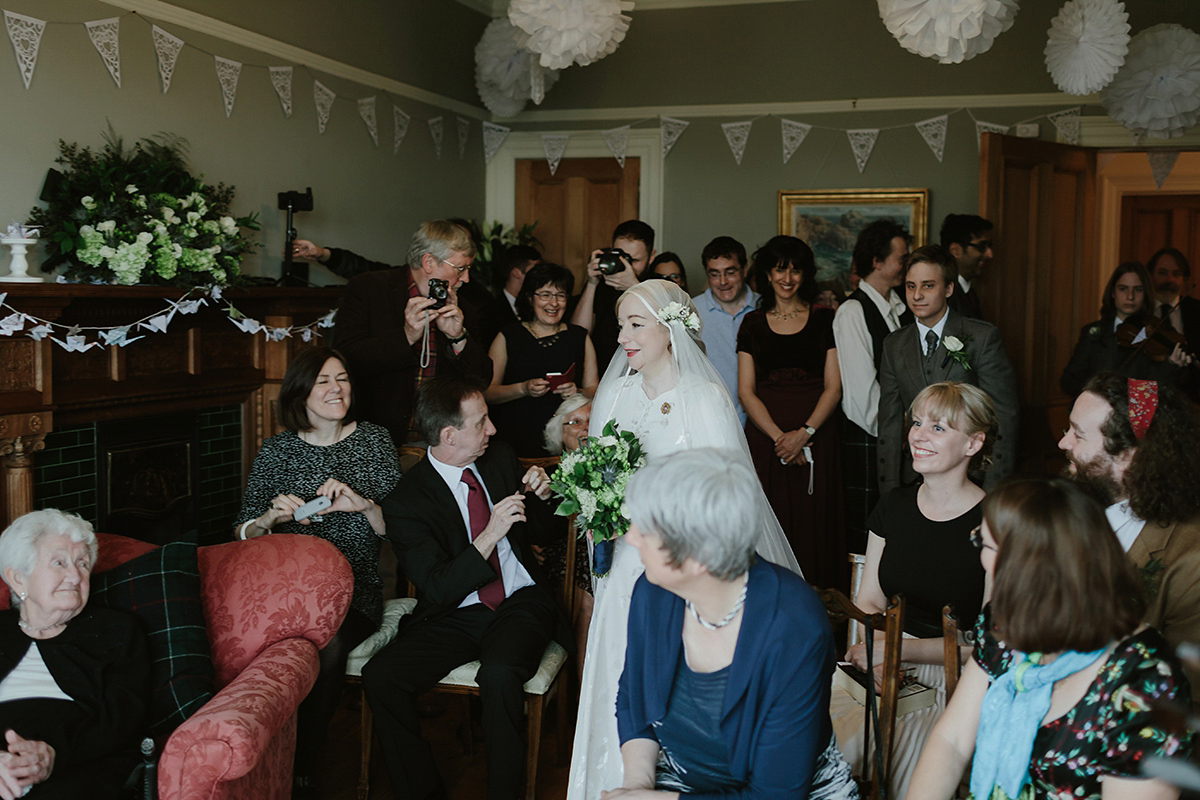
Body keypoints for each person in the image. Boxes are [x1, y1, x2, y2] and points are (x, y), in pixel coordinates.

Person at [567, 279, 802, 800]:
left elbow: (727, 496)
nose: (624, 337)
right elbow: (597, 470)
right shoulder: (616, 390)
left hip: (683, 568)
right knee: (619, 675)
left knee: (668, 677)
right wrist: (596, 500)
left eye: (635, 325)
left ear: (669, 330)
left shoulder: (704, 397)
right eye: (620, 325)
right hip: (625, 558)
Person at [907, 477, 1193, 800]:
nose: (980, 558)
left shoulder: (1146, 681)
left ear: (1021, 566)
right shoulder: (1003, 625)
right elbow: (952, 741)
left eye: (983, 544)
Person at [609, 450, 857, 799]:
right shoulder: (653, 591)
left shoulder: (794, 627)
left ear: (698, 558)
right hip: (681, 780)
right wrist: (636, 786)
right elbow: (634, 697)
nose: (632, 537)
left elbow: (777, 793)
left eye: (645, 529)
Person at [364, 378, 565, 800]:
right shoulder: (406, 501)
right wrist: (489, 535)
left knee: (499, 675)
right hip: (454, 611)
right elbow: (437, 588)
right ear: (449, 435)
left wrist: (544, 496)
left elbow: (542, 532)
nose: (492, 429)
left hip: (518, 599)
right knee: (381, 677)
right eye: (482, 422)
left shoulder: (500, 458)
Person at [234, 346, 400, 795]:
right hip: (283, 594)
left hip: (351, 593)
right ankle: (248, 755)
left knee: (322, 644)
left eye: (342, 378)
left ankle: (299, 766)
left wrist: (364, 504)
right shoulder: (277, 451)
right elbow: (243, 535)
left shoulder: (374, 442)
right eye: (323, 381)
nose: (336, 389)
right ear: (301, 393)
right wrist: (270, 519)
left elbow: (400, 532)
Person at [836, 382, 996, 800]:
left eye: (939, 428)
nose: (918, 435)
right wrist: (877, 653)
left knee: (900, 758)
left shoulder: (996, 523)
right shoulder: (893, 505)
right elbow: (869, 599)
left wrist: (897, 651)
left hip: (955, 677)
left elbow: (990, 644)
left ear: (974, 443)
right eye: (917, 422)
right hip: (880, 658)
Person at [1059, 371, 1200, 710]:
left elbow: (1184, 695)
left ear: (1127, 456)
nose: (1064, 443)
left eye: (1078, 434)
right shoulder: (1077, 504)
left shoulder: (1191, 561)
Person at [0, 509, 150, 800]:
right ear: (19, 579)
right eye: (59, 563)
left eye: (82, 563)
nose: (75, 575)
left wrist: (54, 753)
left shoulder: (115, 630)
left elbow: (126, 715)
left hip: (81, 765)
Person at [737, 235, 844, 590]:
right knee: (769, 526)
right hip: (767, 444)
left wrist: (805, 434)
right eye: (780, 269)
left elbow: (834, 387)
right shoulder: (752, 323)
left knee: (816, 527)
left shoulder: (826, 319)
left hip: (818, 440)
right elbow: (746, 392)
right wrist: (781, 439)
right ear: (767, 273)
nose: (787, 278)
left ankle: (819, 618)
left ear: (805, 275)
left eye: (795, 270)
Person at [329, 220, 493, 444]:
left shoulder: (464, 307)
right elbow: (345, 359)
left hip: (442, 441)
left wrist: (458, 337)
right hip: (374, 437)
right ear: (428, 262)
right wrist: (405, 337)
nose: (466, 279)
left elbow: (481, 380)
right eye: (460, 268)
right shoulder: (368, 289)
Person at [878, 245, 1019, 494]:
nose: (917, 295)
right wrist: (889, 490)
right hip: (913, 477)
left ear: (949, 289)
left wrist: (994, 489)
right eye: (911, 286)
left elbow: (1003, 418)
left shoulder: (982, 337)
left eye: (928, 285)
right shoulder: (894, 344)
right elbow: (889, 423)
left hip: (970, 477)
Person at [833, 219, 912, 553]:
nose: (905, 265)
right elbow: (861, 396)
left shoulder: (901, 307)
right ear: (877, 262)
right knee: (869, 537)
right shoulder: (853, 312)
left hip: (902, 438)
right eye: (901, 258)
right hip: (872, 440)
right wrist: (900, 432)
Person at [485, 263, 598, 456]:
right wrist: (523, 389)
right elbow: (487, 392)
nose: (553, 303)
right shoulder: (508, 335)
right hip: (516, 436)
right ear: (530, 297)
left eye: (560, 295)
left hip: (567, 442)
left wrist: (577, 392)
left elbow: (594, 389)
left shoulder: (579, 337)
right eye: (545, 295)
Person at [1061, 262, 1192, 397]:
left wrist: (1171, 366)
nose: (1130, 296)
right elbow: (1069, 380)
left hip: (1137, 415)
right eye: (1123, 289)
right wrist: (1095, 395)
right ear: (1113, 293)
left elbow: (1161, 388)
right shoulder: (1093, 332)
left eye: (1138, 289)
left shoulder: (1158, 332)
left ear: (1146, 294)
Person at [542, 395, 594, 678]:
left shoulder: (613, 471)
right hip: (561, 557)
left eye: (589, 421)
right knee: (587, 589)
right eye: (574, 422)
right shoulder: (548, 476)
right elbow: (538, 530)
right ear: (559, 434)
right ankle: (577, 691)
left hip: (601, 555)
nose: (584, 428)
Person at [572, 220, 657, 367]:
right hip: (601, 371)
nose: (626, 266)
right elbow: (577, 335)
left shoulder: (658, 286)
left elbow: (670, 333)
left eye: (634, 260)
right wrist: (592, 282)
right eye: (621, 258)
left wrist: (634, 286)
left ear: (651, 257)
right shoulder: (602, 284)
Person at [694, 236, 758, 426]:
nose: (723, 282)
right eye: (714, 274)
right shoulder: (691, 311)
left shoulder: (764, 308)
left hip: (760, 423)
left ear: (744, 270)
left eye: (730, 272)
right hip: (710, 420)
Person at [478, 244, 541, 349]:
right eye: (534, 271)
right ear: (516, 272)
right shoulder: (489, 312)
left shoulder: (537, 306)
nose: (538, 276)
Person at [939, 213, 994, 320]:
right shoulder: (945, 296)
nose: (990, 254)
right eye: (982, 246)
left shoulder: (969, 294)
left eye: (989, 246)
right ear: (955, 251)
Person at [1147, 247, 1200, 339]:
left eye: (1176, 274)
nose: (1169, 279)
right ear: (1150, 275)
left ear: (1184, 279)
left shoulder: (1197, 310)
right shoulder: (1138, 308)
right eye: (1162, 273)